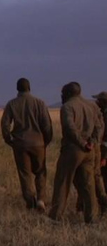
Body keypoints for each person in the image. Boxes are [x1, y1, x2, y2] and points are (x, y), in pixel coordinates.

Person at [49, 82, 101, 223]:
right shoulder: (91, 106)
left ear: (68, 93)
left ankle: (55, 217)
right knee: (88, 185)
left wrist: (82, 142)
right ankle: (91, 219)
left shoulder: (67, 107)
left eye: (63, 93)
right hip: (89, 151)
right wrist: (93, 142)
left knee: (62, 182)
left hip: (73, 149)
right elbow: (99, 125)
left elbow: (69, 127)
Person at [0, 77, 53, 211]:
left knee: (25, 174)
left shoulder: (12, 104)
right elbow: (47, 125)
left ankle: (30, 201)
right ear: (29, 88)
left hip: (20, 144)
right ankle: (41, 199)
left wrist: (9, 139)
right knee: (41, 172)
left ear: (17, 89)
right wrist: (46, 140)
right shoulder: (39, 103)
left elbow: (5, 124)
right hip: (38, 143)